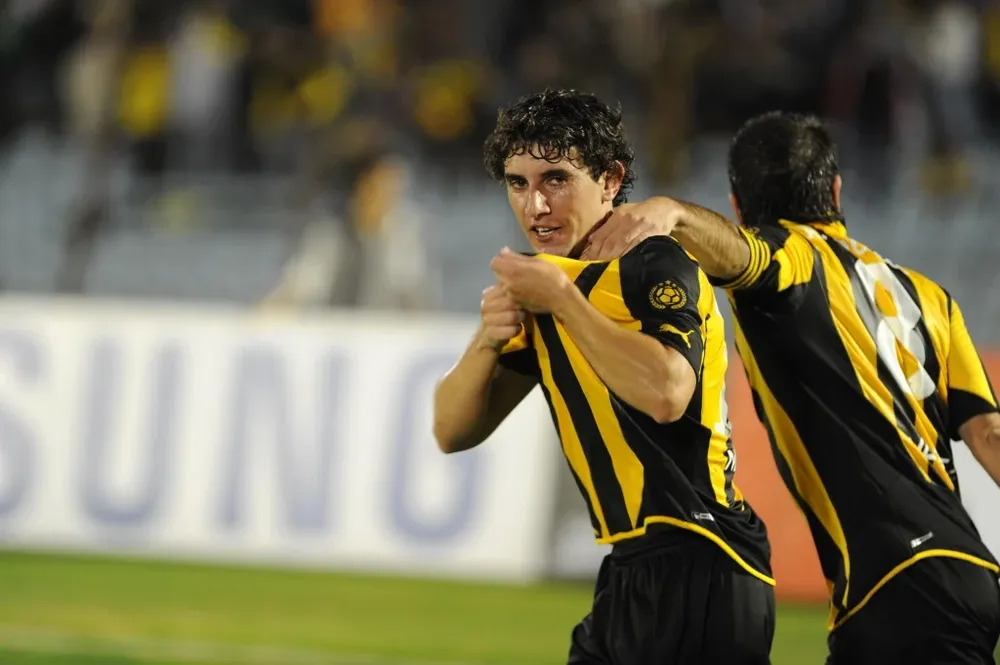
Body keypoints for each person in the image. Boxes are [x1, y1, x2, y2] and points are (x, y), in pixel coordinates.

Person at [582, 111, 1000, 665]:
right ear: (835, 189)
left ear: (736, 206)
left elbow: (741, 255)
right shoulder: (930, 297)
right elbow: (990, 434)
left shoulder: (795, 261)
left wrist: (676, 214)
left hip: (898, 581)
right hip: (966, 573)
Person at [432, 89, 775, 665]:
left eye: (556, 180)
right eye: (518, 183)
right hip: (630, 570)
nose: (535, 205)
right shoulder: (547, 284)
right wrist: (486, 343)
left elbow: (667, 394)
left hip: (703, 559)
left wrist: (564, 301)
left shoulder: (654, 262)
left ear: (611, 180)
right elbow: (452, 430)